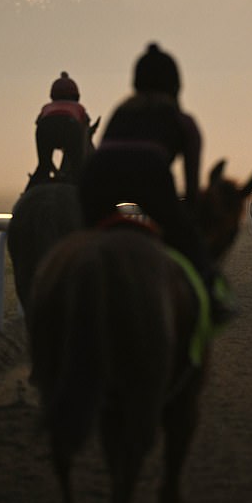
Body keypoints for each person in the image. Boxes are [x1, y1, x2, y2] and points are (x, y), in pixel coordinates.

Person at [79, 43, 232, 323]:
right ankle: (210, 294)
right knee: (188, 238)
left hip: (97, 176)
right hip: (150, 174)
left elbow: (104, 154)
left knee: (80, 244)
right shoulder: (182, 121)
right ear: (176, 85)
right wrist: (187, 219)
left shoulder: (120, 112)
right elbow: (192, 193)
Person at [31, 71, 91, 185]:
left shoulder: (46, 107)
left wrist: (50, 167)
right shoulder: (79, 108)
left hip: (45, 126)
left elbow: (38, 124)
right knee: (78, 170)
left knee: (42, 169)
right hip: (71, 126)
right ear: (76, 96)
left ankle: (27, 193)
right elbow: (84, 135)